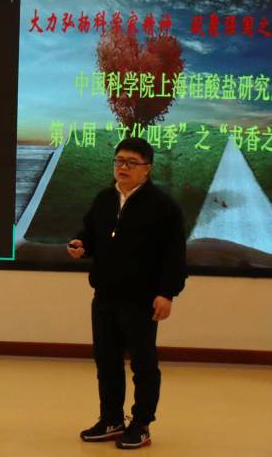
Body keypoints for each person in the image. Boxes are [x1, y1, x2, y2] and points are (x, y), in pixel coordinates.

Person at [67, 137, 187, 450]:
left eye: (131, 163)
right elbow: (91, 233)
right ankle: (111, 419)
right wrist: (81, 245)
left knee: (143, 365)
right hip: (104, 296)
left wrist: (167, 293)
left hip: (141, 299)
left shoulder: (163, 208)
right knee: (106, 362)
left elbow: (174, 256)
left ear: (147, 169)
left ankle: (142, 424)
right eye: (119, 161)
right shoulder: (105, 199)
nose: (123, 167)